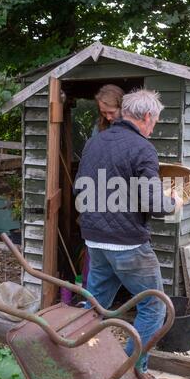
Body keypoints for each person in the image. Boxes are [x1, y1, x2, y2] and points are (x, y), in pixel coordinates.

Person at [74, 89, 182, 379]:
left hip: (95, 241)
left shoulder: (96, 140)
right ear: (146, 117)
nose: (154, 127)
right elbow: (151, 202)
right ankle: (133, 374)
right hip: (127, 246)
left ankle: (75, 359)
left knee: (94, 306)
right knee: (154, 306)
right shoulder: (142, 148)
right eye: (156, 121)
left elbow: (80, 189)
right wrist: (173, 202)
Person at [75, 84, 124, 288]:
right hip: (98, 189)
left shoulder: (130, 128)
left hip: (118, 192)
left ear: (122, 107)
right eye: (103, 112)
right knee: (94, 254)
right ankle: (89, 293)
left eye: (111, 112)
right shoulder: (99, 127)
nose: (108, 117)